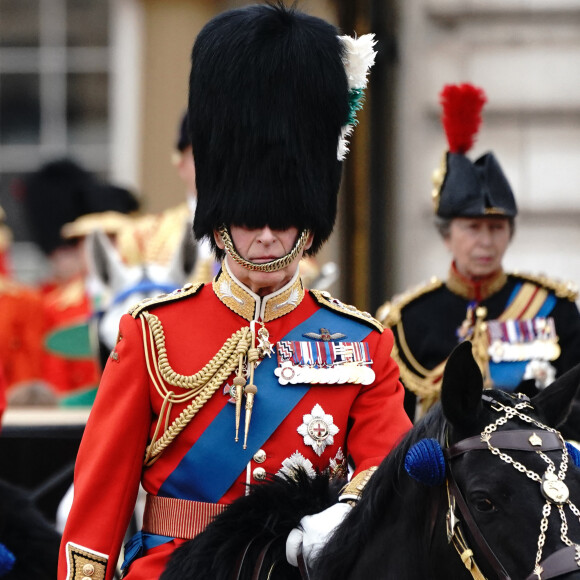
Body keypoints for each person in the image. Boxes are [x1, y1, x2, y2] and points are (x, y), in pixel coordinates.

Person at [58, 4, 411, 579]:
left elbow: (389, 469)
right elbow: (98, 510)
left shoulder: (363, 345)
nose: (269, 235)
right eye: (251, 217)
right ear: (221, 217)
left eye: (285, 219)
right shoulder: (152, 333)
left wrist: (345, 509)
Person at [377, 83, 580, 425]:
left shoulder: (554, 308)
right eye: (472, 228)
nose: (486, 241)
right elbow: (394, 422)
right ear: (447, 236)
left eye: (497, 228)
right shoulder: (408, 319)